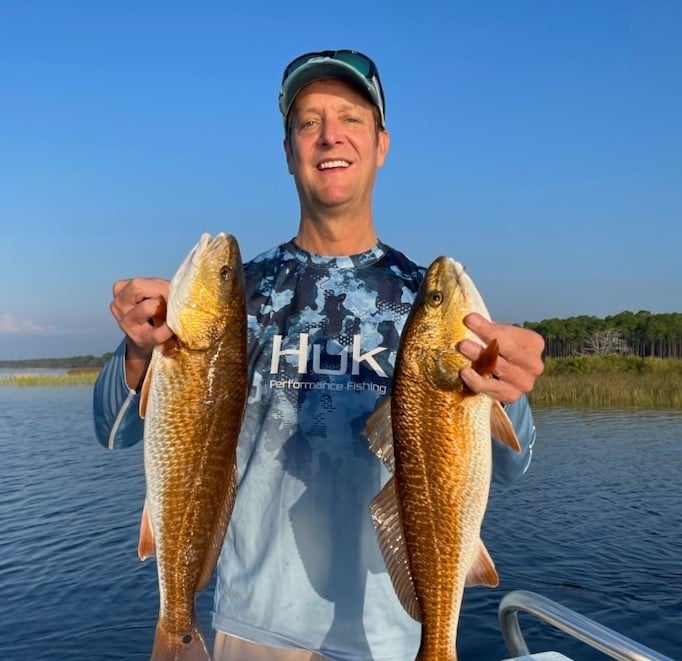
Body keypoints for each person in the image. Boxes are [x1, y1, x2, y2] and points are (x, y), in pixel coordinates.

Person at [93, 49, 545, 660]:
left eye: (351, 118)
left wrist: (508, 392)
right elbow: (112, 430)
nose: (330, 135)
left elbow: (510, 467)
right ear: (288, 153)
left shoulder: (427, 305)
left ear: (381, 143)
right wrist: (138, 351)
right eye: (309, 122)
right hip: (251, 631)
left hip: (397, 636)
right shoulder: (236, 295)